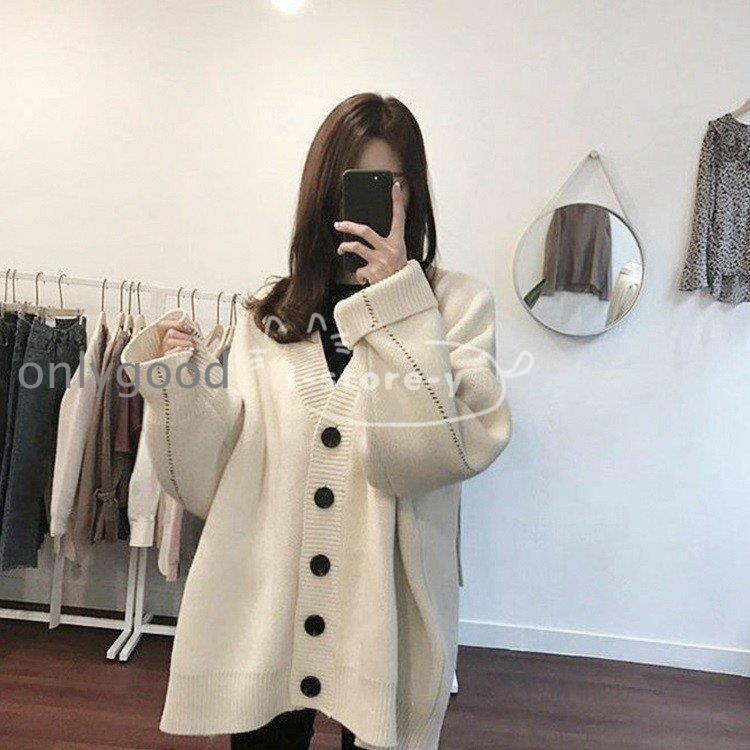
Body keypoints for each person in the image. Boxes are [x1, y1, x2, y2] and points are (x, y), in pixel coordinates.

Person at [121, 92, 511, 750]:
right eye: (348, 185)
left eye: (387, 185)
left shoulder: (455, 306)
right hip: (268, 605)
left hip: (386, 614)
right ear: (319, 192)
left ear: (412, 194)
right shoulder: (268, 312)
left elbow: (434, 456)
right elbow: (212, 479)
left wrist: (399, 302)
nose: (367, 206)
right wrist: (178, 384)